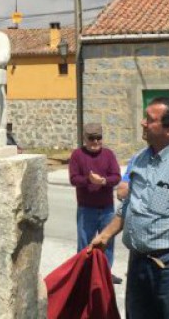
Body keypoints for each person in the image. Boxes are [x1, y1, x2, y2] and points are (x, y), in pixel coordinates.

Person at [90, 96, 169, 319]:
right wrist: (105, 235)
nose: (142, 123)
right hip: (139, 262)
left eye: (149, 119)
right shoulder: (141, 158)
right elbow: (131, 204)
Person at [68, 122, 122, 284]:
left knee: (108, 242)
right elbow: (73, 178)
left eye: (98, 138)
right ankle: (83, 274)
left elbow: (116, 177)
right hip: (86, 208)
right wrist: (88, 180)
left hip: (106, 208)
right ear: (85, 138)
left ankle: (105, 274)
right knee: (85, 243)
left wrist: (104, 181)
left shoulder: (108, 154)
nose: (96, 142)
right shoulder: (77, 155)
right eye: (92, 138)